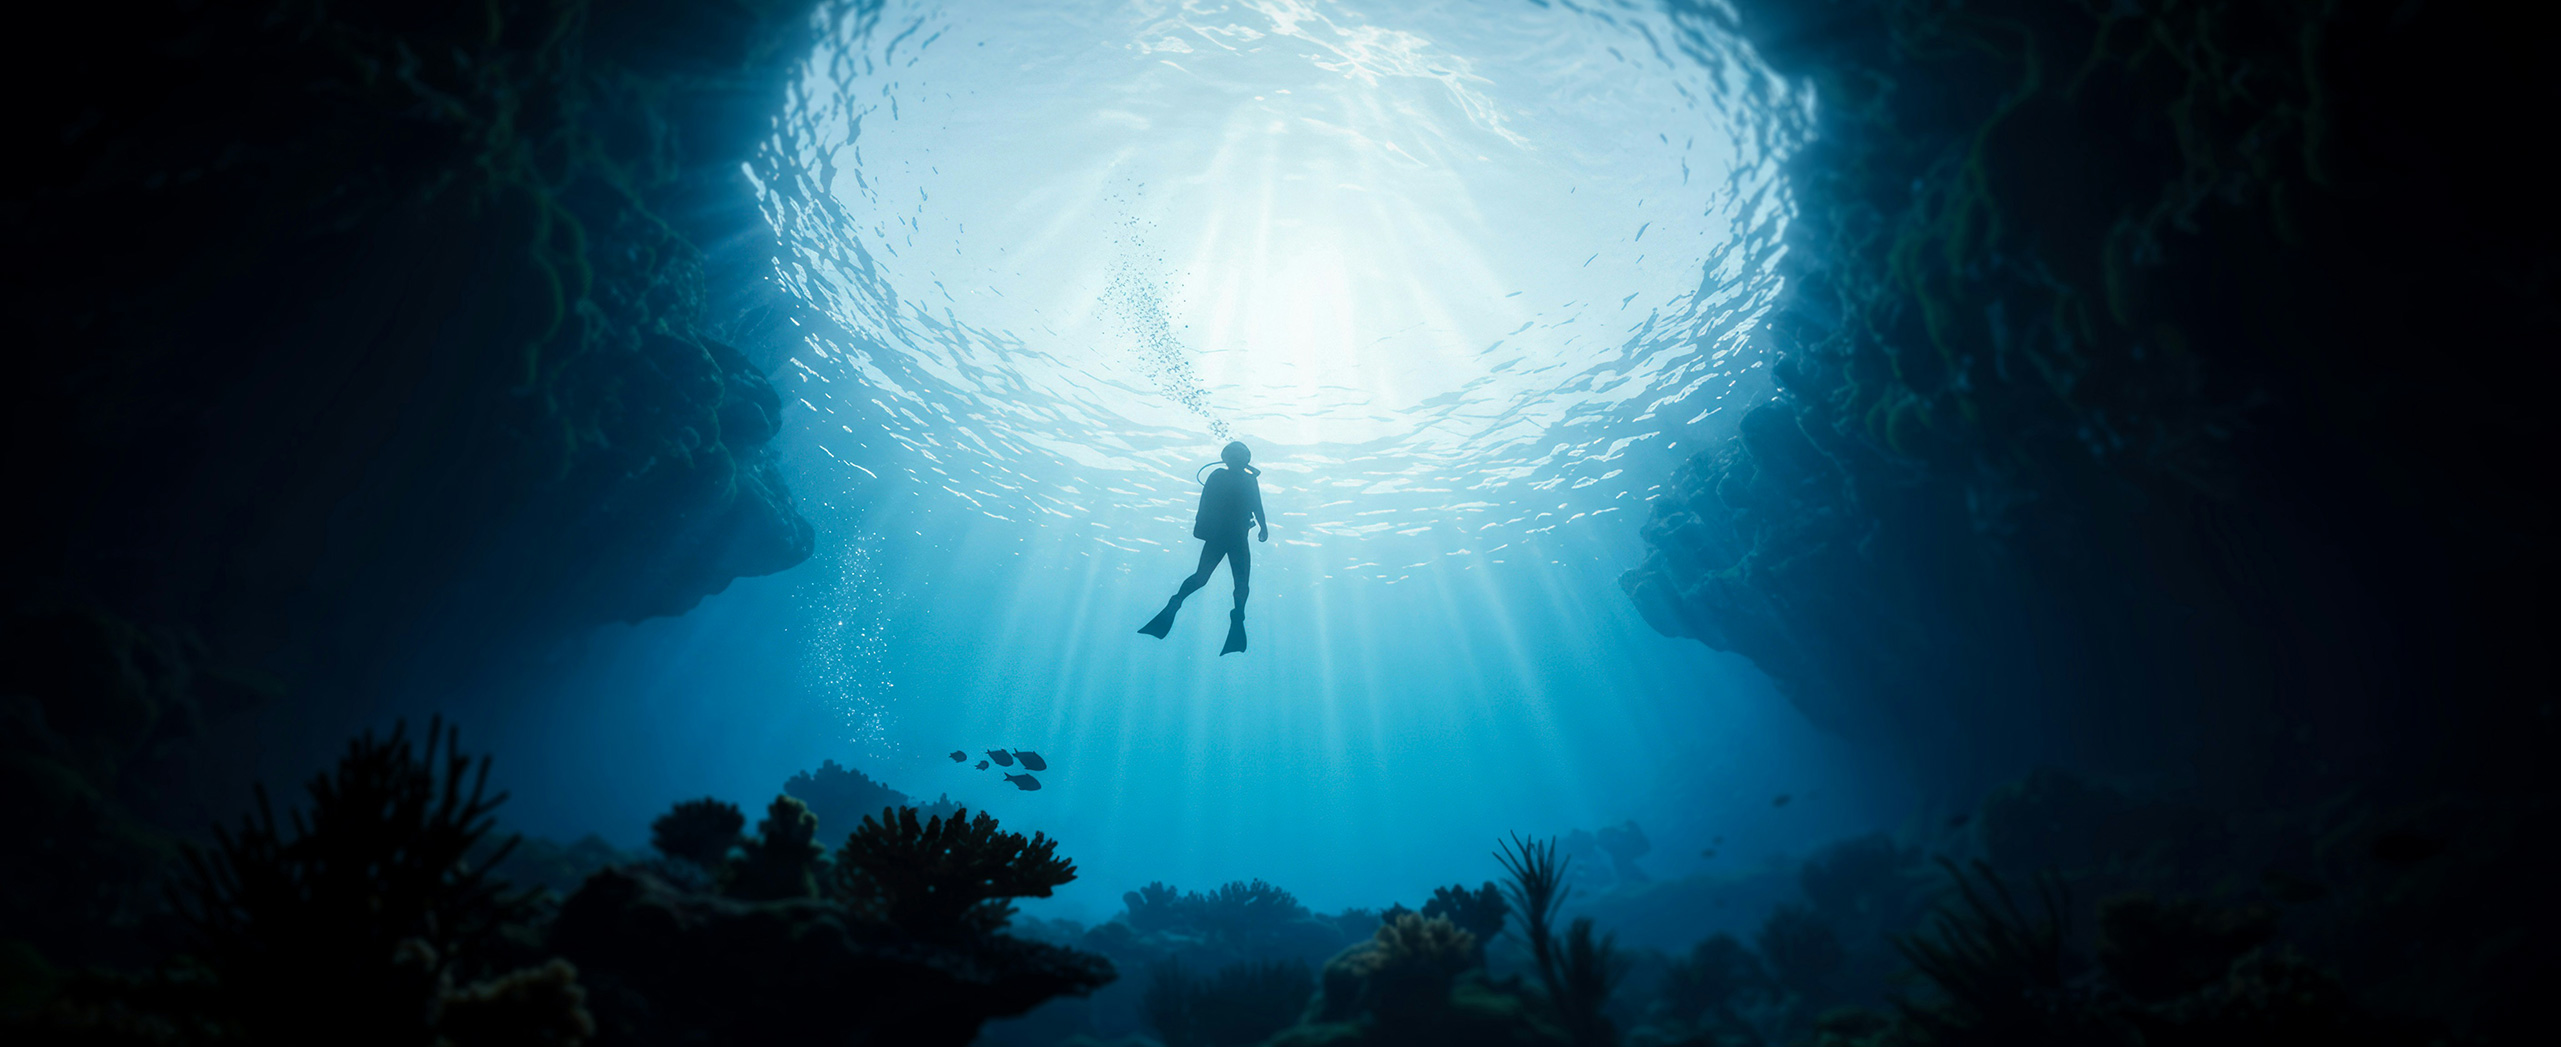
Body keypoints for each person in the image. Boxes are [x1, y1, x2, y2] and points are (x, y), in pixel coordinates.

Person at [1139, 441, 1268, 654]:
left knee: (1233, 582)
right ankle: (1181, 602)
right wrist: (1263, 527)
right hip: (1225, 536)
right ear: (1227, 458)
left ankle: (1233, 615)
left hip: (1228, 536)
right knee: (1214, 579)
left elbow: (1256, 505)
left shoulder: (1243, 479)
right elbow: (1208, 503)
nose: (1237, 460)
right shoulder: (1228, 477)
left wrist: (1264, 527)